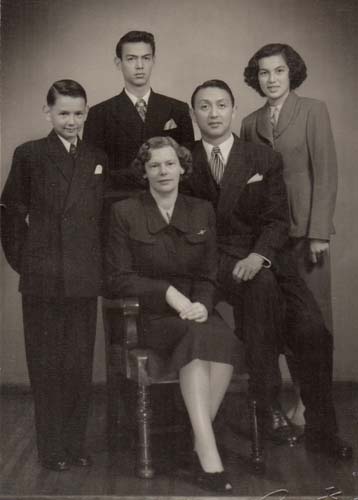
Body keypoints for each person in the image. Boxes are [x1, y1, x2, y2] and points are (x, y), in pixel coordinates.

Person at [187, 79, 352, 461]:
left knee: (312, 328)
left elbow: (278, 220)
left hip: (266, 258)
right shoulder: (183, 160)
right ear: (194, 114)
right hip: (215, 263)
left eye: (221, 105)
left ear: (233, 110)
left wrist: (258, 255)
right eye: (204, 107)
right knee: (259, 294)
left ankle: (322, 429)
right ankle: (268, 407)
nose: (214, 113)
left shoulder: (262, 158)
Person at [106, 136, 238, 493]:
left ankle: (196, 442)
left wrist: (203, 305)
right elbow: (118, 278)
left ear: (182, 167)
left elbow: (209, 273)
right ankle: (209, 458)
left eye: (169, 164)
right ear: (143, 172)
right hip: (153, 317)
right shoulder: (125, 212)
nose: (163, 171)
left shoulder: (201, 210)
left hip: (195, 311)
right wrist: (167, 293)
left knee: (222, 337)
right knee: (198, 339)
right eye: (154, 166)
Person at [1, 80, 107, 471]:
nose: (71, 121)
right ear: (47, 112)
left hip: (82, 277)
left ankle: (74, 445)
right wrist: (27, 262)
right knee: (47, 367)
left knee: (78, 365)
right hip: (43, 279)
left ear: (86, 113)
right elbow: (10, 214)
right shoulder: (29, 154)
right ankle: (51, 450)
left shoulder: (97, 156)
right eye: (63, 112)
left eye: (79, 113)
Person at [241, 43, 338, 425]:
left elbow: (326, 173)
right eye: (264, 72)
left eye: (278, 71)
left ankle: (311, 403)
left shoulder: (313, 110)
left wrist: (319, 233)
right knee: (275, 321)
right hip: (268, 240)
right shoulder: (250, 122)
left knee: (313, 325)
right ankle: (276, 401)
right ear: (256, 77)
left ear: (291, 72)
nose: (271, 79)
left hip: (306, 235)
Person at [83, 30, 194, 196]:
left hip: (169, 200)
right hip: (120, 201)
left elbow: (186, 165)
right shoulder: (99, 114)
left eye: (146, 58)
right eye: (131, 58)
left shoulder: (177, 108)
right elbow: (95, 172)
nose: (139, 66)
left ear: (153, 61)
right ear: (118, 63)